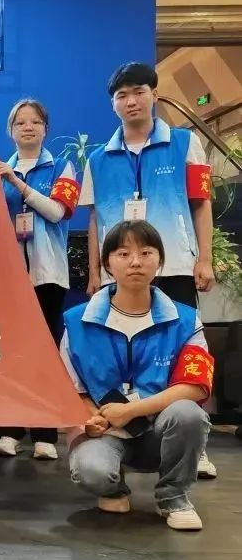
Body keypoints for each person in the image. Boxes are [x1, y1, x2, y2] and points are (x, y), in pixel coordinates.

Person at [80, 62, 217, 480]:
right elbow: (94, 220)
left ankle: (194, 444)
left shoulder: (185, 143)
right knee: (129, 355)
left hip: (174, 264)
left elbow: (201, 203)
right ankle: (126, 434)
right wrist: (95, 272)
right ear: (113, 104)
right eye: (121, 95)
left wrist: (204, 258)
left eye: (138, 91)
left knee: (183, 355)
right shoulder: (99, 158)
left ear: (154, 95)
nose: (131, 101)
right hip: (120, 274)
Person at [63, 221, 212, 531]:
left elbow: (195, 386)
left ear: (160, 261)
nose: (135, 262)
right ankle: (113, 489)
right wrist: (91, 417)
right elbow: (70, 387)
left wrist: (131, 410)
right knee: (92, 471)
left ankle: (174, 497)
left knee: (189, 415)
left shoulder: (185, 319)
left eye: (146, 253)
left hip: (159, 429)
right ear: (107, 264)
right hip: (105, 432)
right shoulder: (76, 322)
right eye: (123, 253)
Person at [0, 99, 78, 460]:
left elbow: (57, 211)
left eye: (35, 122)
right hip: (8, 277)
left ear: (45, 128)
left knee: (44, 354)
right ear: (11, 131)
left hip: (47, 274)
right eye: (20, 123)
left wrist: (16, 184)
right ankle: (9, 431)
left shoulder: (62, 167)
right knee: (10, 353)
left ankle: (45, 433)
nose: (28, 127)